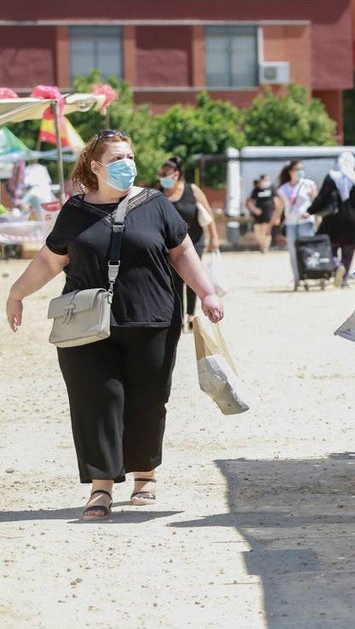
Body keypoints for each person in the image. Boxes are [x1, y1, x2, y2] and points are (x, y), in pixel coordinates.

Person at [4, 129, 224, 520]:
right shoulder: (74, 210)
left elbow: (183, 251)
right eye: (117, 158)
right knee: (95, 400)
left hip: (152, 318)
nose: (127, 164)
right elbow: (50, 261)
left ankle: (145, 476)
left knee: (148, 399)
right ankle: (101, 486)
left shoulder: (155, 203)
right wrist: (17, 293)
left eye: (129, 156)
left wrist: (206, 292)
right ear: (95, 166)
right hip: (84, 323)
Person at [158, 156, 219, 331]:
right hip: (169, 244)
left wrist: (214, 237)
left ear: (176, 174)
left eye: (166, 174)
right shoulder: (158, 193)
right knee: (175, 279)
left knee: (193, 275)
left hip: (195, 240)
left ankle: (191, 315)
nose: (162, 177)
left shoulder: (192, 189)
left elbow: (208, 214)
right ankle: (179, 314)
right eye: (160, 174)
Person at [309, 152, 355, 286]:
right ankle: (344, 280)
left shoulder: (331, 177)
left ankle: (336, 266)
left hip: (332, 220)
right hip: (352, 221)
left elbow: (321, 198)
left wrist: (310, 211)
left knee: (331, 248)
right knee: (348, 251)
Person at [276, 160, 318, 289]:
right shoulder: (283, 189)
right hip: (291, 223)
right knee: (293, 252)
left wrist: (314, 216)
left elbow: (316, 203)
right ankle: (297, 277)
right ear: (290, 172)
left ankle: (311, 274)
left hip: (306, 222)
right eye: (297, 169)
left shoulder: (309, 184)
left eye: (302, 169)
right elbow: (280, 208)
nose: (300, 172)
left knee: (308, 250)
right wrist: (275, 221)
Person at [245, 175, 275, 253]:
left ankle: (265, 247)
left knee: (266, 230)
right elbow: (250, 201)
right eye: (265, 180)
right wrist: (254, 209)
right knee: (257, 230)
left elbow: (277, 200)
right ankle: (262, 244)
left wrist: (276, 214)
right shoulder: (256, 190)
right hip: (258, 213)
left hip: (268, 212)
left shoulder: (272, 188)